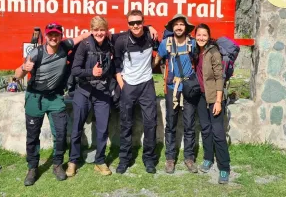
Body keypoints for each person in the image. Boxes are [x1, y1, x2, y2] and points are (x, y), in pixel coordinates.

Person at [14, 22, 91, 186]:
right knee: (33, 136)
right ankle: (32, 168)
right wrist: (24, 68)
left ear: (61, 36)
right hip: (35, 98)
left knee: (61, 133)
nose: (54, 37)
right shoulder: (36, 53)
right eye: (50, 35)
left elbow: (83, 36)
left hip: (55, 98)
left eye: (56, 34)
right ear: (46, 36)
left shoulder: (65, 46)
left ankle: (57, 165)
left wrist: (101, 34)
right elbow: (17, 74)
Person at [67, 16, 114, 177]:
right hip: (84, 90)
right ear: (91, 31)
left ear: (106, 30)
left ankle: (100, 161)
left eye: (102, 30)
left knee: (103, 128)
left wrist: (149, 27)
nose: (99, 33)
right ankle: (73, 161)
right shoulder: (84, 45)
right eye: (96, 30)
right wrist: (91, 72)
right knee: (77, 127)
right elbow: (75, 70)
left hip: (102, 91)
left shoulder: (110, 44)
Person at [113, 9, 158, 174]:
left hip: (147, 84)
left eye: (139, 22)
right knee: (126, 124)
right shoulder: (121, 41)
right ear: (128, 24)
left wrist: (151, 27)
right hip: (128, 85)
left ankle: (149, 159)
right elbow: (116, 65)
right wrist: (122, 83)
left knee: (150, 123)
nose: (136, 25)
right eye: (132, 23)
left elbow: (170, 34)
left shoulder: (150, 36)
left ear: (143, 22)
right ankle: (124, 159)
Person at [153, 14, 198, 174]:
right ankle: (170, 158)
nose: (179, 27)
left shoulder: (192, 43)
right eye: (176, 24)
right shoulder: (166, 43)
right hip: (172, 88)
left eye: (182, 24)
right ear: (172, 27)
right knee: (170, 125)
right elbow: (156, 60)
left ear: (186, 27)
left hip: (189, 88)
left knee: (189, 125)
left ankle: (189, 158)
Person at [194, 23, 231, 184]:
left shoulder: (213, 52)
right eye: (199, 35)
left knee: (218, 132)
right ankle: (208, 158)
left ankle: (224, 168)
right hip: (201, 97)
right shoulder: (196, 51)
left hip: (213, 98)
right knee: (206, 129)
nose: (201, 38)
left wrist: (218, 101)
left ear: (208, 37)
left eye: (204, 35)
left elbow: (219, 77)